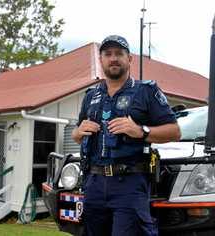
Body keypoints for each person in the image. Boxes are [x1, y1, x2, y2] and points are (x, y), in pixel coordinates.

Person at [72, 35, 181, 236]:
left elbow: (175, 131)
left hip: (129, 184)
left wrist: (141, 131)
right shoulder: (90, 96)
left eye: (119, 54)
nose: (113, 58)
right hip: (93, 183)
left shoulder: (146, 91)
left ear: (129, 59)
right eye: (108, 54)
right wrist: (78, 132)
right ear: (101, 59)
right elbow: (77, 134)